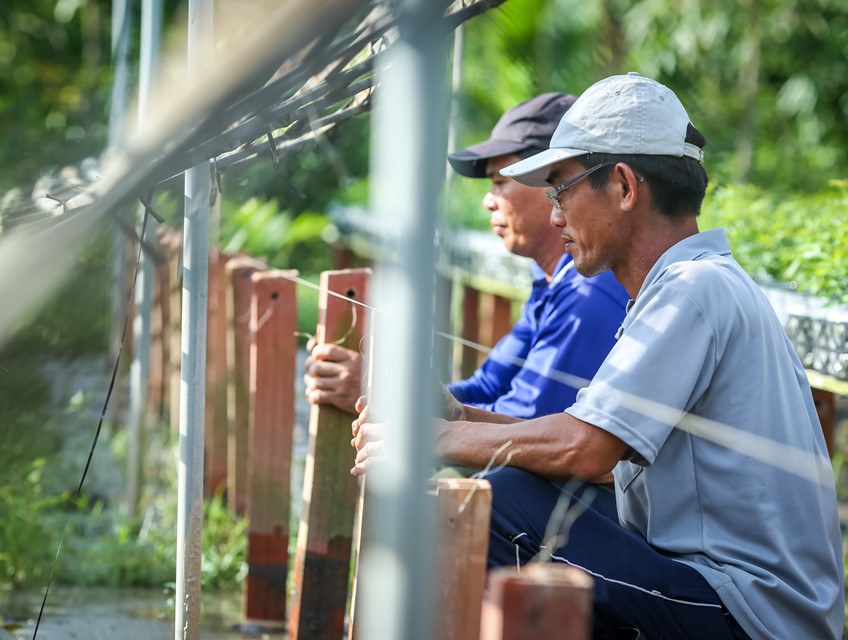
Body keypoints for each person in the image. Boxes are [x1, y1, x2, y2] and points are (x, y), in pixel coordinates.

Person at [352, 73, 844, 639]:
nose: (555, 213)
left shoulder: (693, 288)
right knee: (521, 493)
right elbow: (607, 460)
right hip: (717, 596)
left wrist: (432, 441)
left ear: (625, 187)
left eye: (561, 188)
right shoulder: (682, 288)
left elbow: (586, 448)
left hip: (749, 616)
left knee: (499, 505)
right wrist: (461, 420)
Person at [305, 93, 629, 420]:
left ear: (552, 183)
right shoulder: (552, 280)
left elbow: (527, 424)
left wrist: (393, 405)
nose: (489, 201)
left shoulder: (589, 289)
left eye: (500, 182)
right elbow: (487, 388)